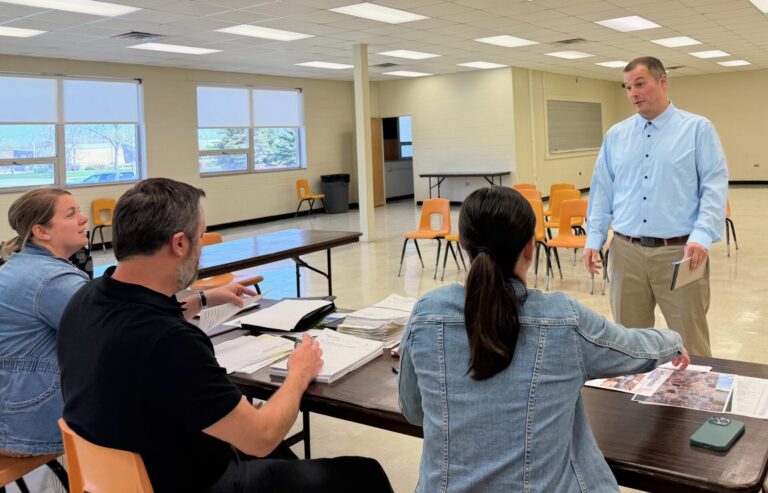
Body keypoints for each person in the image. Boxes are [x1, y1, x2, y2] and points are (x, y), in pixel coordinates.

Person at [58, 178, 392, 493]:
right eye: (201, 236)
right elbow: (259, 438)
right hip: (197, 481)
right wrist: (299, 372)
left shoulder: (84, 299)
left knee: (277, 452)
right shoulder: (170, 342)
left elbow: (139, 321)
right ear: (179, 243)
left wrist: (203, 299)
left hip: (123, 472)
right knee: (363, 473)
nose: (201, 247)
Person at [398, 186, 689, 493]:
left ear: (464, 247)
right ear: (530, 248)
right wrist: (673, 341)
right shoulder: (563, 318)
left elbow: (414, 412)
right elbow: (630, 348)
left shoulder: (426, 314)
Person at [583, 56, 728, 357]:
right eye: (627, 87)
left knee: (691, 340)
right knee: (627, 343)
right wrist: (593, 239)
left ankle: (695, 401)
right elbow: (602, 191)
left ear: (662, 82)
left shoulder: (697, 129)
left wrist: (701, 236)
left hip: (681, 253)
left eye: (640, 84)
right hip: (626, 252)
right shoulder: (616, 136)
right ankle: (634, 404)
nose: (633, 93)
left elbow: (714, 187)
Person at [0, 188, 90, 456]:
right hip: (32, 426)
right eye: (71, 214)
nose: (83, 219)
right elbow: (110, 334)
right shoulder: (51, 280)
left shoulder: (19, 265)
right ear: (42, 232)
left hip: (12, 412)